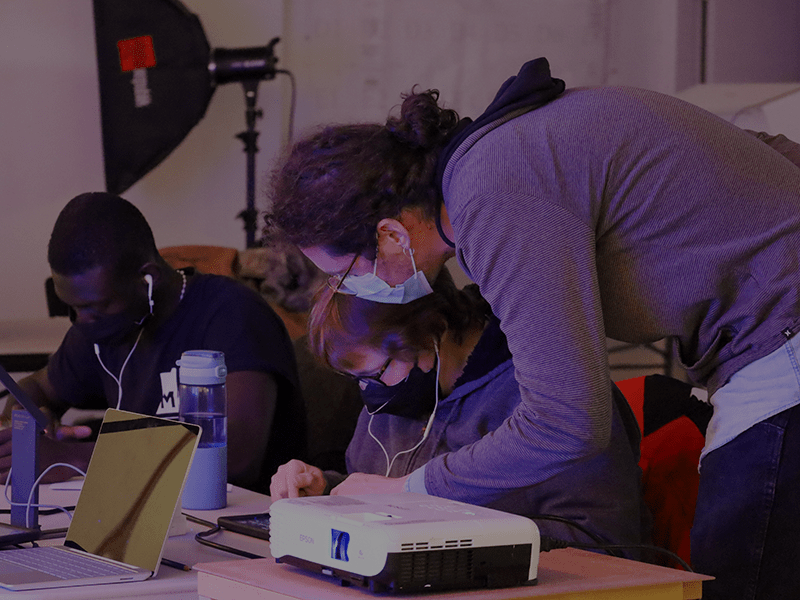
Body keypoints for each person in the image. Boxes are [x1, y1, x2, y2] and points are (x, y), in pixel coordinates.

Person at [267, 57, 800, 598]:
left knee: (742, 578)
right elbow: (765, 151)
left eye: (346, 274)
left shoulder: (492, 193)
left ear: (387, 236)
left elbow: (567, 421)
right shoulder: (501, 156)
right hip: (768, 342)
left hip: (783, 341)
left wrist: (407, 491)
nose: (352, 291)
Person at [271, 269, 649, 553]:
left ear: (432, 332)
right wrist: (326, 493)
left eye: (375, 373)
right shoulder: (395, 396)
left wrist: (437, 522)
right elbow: (380, 494)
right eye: (356, 379)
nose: (369, 392)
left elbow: (609, 542)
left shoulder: (546, 397)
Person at [0, 192, 306, 494]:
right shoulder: (105, 323)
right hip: (154, 520)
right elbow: (34, 387)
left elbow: (238, 457)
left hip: (241, 520)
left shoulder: (232, 314)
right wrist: (31, 429)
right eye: (72, 306)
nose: (81, 320)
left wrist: (74, 458)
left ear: (148, 278)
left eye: (95, 306)